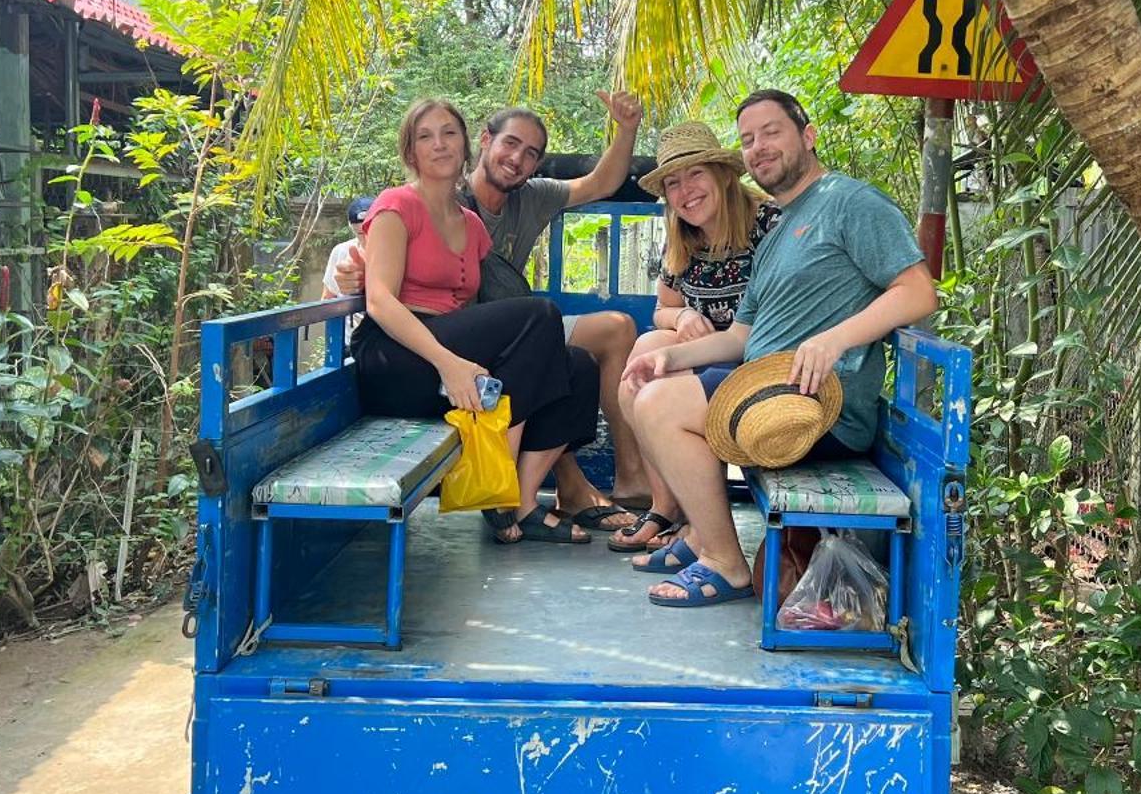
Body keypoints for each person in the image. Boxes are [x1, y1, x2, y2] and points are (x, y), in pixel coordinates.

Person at [620, 89, 937, 607]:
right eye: (748, 139)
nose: (760, 147)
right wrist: (667, 357)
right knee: (647, 383)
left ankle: (724, 561)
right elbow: (740, 337)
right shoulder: (778, 229)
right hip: (765, 390)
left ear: (807, 137)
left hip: (818, 407)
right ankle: (700, 536)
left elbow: (919, 292)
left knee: (659, 405)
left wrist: (836, 338)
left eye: (772, 132)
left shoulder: (849, 201)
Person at [325, 95, 652, 529]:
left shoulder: (473, 226)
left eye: (448, 134)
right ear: (412, 151)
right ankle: (501, 494)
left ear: (464, 144)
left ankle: (521, 494)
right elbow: (381, 300)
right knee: (541, 315)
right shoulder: (396, 204)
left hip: (447, 355)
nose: (439, 144)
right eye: (426, 137)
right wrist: (451, 365)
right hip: (397, 359)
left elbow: (468, 306)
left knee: (575, 365)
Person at [606, 120, 781, 554]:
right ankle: (668, 507)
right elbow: (661, 309)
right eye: (674, 183)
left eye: (696, 174)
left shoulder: (767, 223)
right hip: (705, 358)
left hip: (757, 358)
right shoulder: (682, 236)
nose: (686, 192)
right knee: (645, 350)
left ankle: (703, 524)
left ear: (722, 175)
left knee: (656, 375)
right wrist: (682, 315)